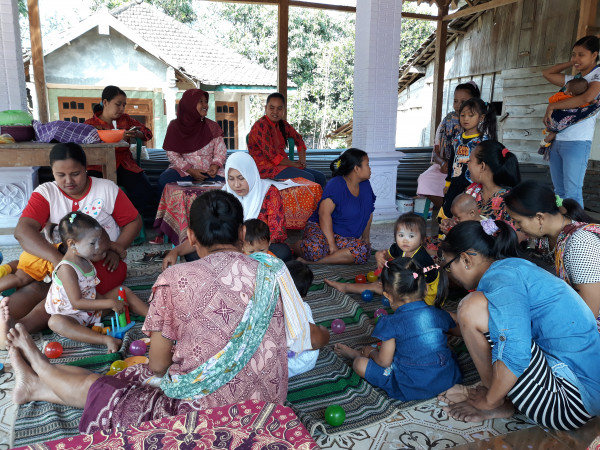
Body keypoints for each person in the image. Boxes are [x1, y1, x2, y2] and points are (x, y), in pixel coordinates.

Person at [3, 190, 313, 434]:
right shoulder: (275, 269)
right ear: (242, 233)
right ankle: (33, 386)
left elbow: (158, 365)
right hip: (269, 404)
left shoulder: (175, 279)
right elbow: (302, 335)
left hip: (206, 416)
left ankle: (39, 368)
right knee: (129, 379)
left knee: (121, 387)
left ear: (190, 236)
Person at [438, 220, 600, 429]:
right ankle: (500, 397)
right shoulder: (513, 268)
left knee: (471, 308)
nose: (451, 275)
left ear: (466, 259)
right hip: (582, 389)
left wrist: (489, 401)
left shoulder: (501, 277)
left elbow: (515, 350)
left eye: (449, 266)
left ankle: (497, 401)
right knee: (485, 318)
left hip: (569, 404)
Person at [4, 143, 142, 349]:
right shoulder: (47, 192)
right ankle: (6, 320)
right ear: (52, 172)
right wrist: (62, 264)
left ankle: (17, 329)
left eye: (75, 173)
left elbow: (134, 221)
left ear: (86, 168)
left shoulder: (106, 189)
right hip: (59, 259)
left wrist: (117, 247)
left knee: (60, 297)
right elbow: (23, 231)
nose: (68, 181)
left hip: (101, 264)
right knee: (39, 285)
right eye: (60, 175)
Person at [334, 257, 461, 402]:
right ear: (425, 289)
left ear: (388, 296)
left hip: (411, 386)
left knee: (360, 364)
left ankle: (356, 354)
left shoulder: (390, 322)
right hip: (447, 379)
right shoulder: (437, 313)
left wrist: (372, 352)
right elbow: (455, 328)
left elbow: (384, 362)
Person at [162, 152, 292, 265]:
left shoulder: (269, 193)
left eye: (242, 178)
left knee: (281, 251)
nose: (236, 184)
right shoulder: (225, 197)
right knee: (194, 253)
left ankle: (232, 264)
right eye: (231, 179)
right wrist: (176, 251)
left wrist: (249, 247)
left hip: (258, 250)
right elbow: (206, 234)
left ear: (251, 174)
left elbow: (278, 233)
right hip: (230, 249)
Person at [45, 212, 148, 353]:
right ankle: (105, 340)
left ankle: (152, 317)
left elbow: (90, 291)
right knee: (55, 322)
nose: (98, 247)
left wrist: (112, 301)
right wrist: (110, 303)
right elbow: (77, 303)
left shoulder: (85, 258)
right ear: (72, 244)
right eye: (93, 243)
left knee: (122, 291)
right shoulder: (66, 269)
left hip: (91, 311)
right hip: (71, 317)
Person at [504, 180, 600, 320]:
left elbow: (589, 313)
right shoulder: (544, 237)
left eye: (518, 221)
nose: (517, 227)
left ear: (539, 217)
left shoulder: (581, 244)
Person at [325, 213, 440, 306]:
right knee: (382, 286)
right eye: (401, 235)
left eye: (411, 236)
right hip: (408, 281)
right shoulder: (398, 248)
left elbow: (417, 286)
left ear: (422, 240)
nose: (405, 240)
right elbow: (385, 254)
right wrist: (378, 255)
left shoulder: (421, 259)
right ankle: (346, 287)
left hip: (426, 294)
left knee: (387, 290)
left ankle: (351, 287)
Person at [541, 35, 600, 207]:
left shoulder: (597, 74)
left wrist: (553, 106)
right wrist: (572, 63)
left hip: (577, 142)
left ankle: (577, 232)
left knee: (573, 193)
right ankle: (561, 230)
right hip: (557, 140)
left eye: (581, 54)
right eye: (574, 54)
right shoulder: (576, 80)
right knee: (559, 191)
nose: (576, 58)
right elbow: (547, 74)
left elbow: (587, 97)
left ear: (594, 54)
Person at [296, 149, 375, 265]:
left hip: (343, 236)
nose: (370, 168)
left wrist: (366, 238)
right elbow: (324, 214)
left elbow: (368, 212)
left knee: (363, 251)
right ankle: (294, 246)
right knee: (316, 250)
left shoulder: (365, 185)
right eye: (367, 165)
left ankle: (315, 262)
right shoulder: (336, 184)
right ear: (356, 169)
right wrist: (332, 245)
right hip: (321, 228)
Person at [84, 85, 154, 216]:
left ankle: (127, 220)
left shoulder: (125, 120)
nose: (122, 108)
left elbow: (148, 133)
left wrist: (136, 134)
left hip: (124, 164)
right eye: (118, 104)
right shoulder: (90, 125)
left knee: (145, 190)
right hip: (98, 166)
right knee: (94, 193)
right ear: (105, 102)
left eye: (124, 105)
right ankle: (104, 221)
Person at [417, 82, 481, 208]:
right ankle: (448, 210)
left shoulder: (482, 124)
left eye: (463, 101)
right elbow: (436, 152)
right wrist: (442, 163)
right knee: (425, 179)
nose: (458, 105)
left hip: (471, 170)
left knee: (463, 184)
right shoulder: (447, 120)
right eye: (455, 101)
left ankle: (457, 213)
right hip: (446, 169)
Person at [247, 93, 326, 188]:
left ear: (284, 110)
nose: (275, 112)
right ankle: (307, 203)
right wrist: (294, 164)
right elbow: (273, 157)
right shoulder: (260, 126)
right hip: (265, 169)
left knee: (320, 177)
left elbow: (299, 140)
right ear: (265, 108)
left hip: (283, 166)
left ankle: (322, 203)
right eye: (272, 108)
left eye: (279, 108)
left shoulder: (283, 124)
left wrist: (302, 161)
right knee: (309, 178)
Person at [158, 89, 227, 191]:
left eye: (206, 102)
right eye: (200, 101)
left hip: (209, 170)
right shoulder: (175, 126)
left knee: (230, 182)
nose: (205, 105)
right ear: (189, 104)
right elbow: (172, 154)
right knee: (165, 180)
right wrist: (190, 170)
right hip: (183, 170)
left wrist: (215, 165)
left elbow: (220, 152)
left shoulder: (213, 127)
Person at [441, 98, 497, 218]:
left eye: (471, 115)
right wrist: (447, 183)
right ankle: (446, 236)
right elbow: (452, 162)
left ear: (481, 118)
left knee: (467, 216)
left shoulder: (483, 141)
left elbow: (487, 167)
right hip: (455, 185)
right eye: (462, 115)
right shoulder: (457, 139)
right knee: (448, 213)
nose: (466, 119)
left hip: (474, 187)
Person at [285, 260, 330, 378]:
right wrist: (324, 332)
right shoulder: (301, 310)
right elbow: (317, 341)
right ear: (304, 295)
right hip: (296, 363)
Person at [463, 141, 520, 223]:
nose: (467, 164)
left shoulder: (511, 201)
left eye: (470, 161)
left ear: (482, 166)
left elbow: (515, 234)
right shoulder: (471, 191)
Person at [540, 78, 590, 148]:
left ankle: (546, 135)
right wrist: (594, 101)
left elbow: (551, 100)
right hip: (563, 121)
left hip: (554, 117)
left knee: (550, 124)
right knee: (555, 132)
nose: (564, 91)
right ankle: (545, 141)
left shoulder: (560, 95)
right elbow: (586, 105)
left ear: (570, 93)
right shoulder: (579, 101)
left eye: (566, 89)